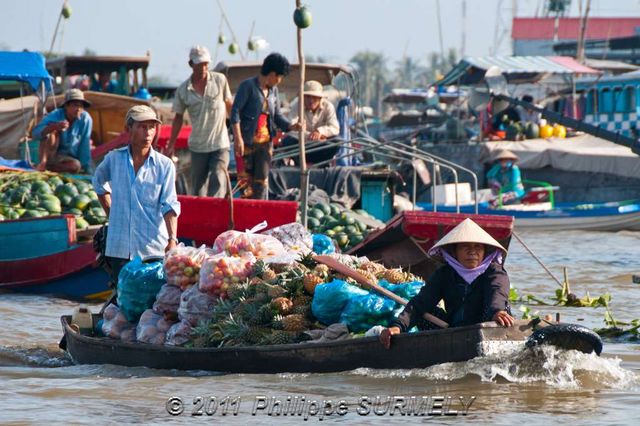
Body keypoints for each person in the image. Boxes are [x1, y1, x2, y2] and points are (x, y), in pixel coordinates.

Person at [379, 218, 515, 349]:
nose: (472, 252)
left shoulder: (494, 272)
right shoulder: (444, 274)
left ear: (484, 252)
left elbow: (497, 292)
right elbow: (420, 302)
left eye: (478, 247)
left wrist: (497, 311)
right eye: (465, 247)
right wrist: (398, 326)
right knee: (424, 313)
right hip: (454, 328)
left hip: (486, 324)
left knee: (502, 313)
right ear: (454, 252)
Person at [92, 105, 181, 286]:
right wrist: (111, 212)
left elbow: (170, 204)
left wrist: (172, 239)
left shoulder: (164, 165)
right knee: (124, 302)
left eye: (151, 127)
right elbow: (98, 182)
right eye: (142, 127)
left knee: (150, 302)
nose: (148, 133)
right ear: (128, 129)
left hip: (152, 250)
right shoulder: (114, 159)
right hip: (119, 248)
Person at [166, 46, 233, 197]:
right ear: (191, 64)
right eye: (199, 64)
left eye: (206, 64)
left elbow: (230, 108)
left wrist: (239, 134)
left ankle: (216, 217)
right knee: (198, 188)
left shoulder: (220, 80)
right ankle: (202, 217)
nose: (203, 67)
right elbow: (177, 118)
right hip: (198, 146)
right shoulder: (183, 90)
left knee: (218, 178)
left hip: (220, 143)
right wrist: (171, 145)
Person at [231, 52, 294, 199]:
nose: (279, 81)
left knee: (261, 184)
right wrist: (238, 138)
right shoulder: (248, 86)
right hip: (246, 142)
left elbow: (277, 116)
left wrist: (292, 126)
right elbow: (235, 112)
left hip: (265, 145)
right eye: (279, 77)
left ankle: (258, 214)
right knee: (245, 185)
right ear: (272, 74)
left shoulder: (274, 91)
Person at [280, 80, 340, 165]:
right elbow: (291, 128)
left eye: (314, 97)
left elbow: (335, 128)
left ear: (320, 98)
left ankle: (323, 164)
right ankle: (299, 165)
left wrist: (320, 132)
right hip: (302, 148)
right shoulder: (297, 106)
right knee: (287, 141)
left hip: (320, 148)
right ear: (303, 97)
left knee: (338, 141)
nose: (311, 100)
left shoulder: (328, 106)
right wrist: (310, 136)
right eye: (307, 97)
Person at [32, 88, 92, 173]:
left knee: (76, 165)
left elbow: (85, 144)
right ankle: (44, 164)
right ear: (66, 106)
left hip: (70, 158)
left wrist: (86, 168)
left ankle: (50, 169)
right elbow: (35, 133)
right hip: (53, 155)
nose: (78, 109)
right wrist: (54, 127)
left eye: (81, 106)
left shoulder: (86, 119)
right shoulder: (56, 115)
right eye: (75, 105)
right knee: (50, 130)